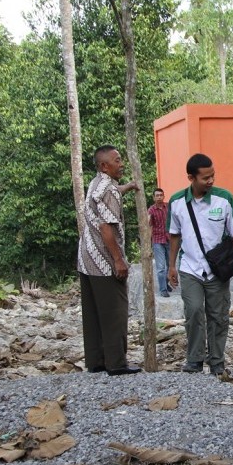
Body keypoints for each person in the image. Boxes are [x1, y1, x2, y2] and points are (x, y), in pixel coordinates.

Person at [167, 153, 233, 375]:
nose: (211, 181)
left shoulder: (225, 199)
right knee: (193, 312)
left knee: (218, 316)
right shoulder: (176, 203)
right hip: (189, 268)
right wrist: (171, 266)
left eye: (213, 176)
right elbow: (174, 236)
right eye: (205, 178)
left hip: (217, 271)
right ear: (191, 177)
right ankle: (194, 360)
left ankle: (217, 361)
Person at [77, 145, 141, 376]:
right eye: (117, 160)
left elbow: (111, 193)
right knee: (115, 311)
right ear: (105, 165)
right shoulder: (109, 190)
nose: (121, 163)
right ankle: (116, 363)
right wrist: (118, 260)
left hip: (86, 259)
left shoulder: (97, 183)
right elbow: (106, 227)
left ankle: (96, 362)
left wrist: (129, 186)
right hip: (104, 261)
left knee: (93, 313)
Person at [148, 187, 171, 297]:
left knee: (170, 264)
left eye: (160, 195)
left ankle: (166, 283)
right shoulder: (151, 210)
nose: (159, 197)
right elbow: (149, 226)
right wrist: (148, 242)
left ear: (163, 196)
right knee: (161, 267)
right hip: (157, 240)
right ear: (153, 197)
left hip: (169, 239)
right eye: (157, 195)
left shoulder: (168, 207)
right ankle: (163, 289)